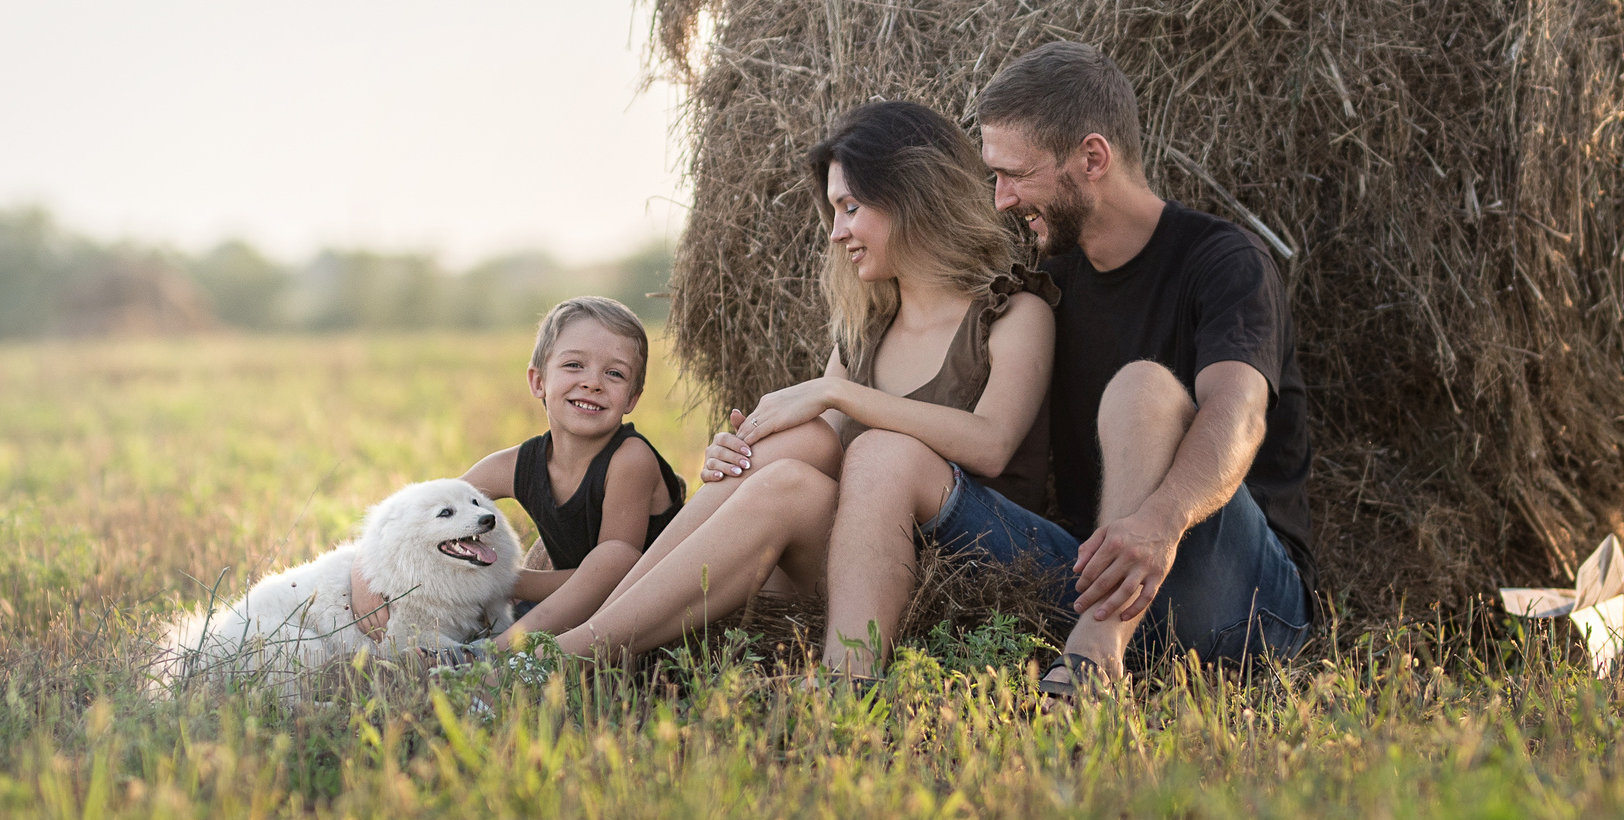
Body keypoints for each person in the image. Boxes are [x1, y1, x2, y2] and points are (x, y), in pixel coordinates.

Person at [826, 42, 1313, 696]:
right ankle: (845, 690)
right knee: (886, 456)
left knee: (1141, 390)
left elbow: (1239, 414)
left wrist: (1160, 522)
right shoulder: (1046, 289)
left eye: (1014, 174)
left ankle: (1090, 667)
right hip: (1094, 579)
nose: (1000, 200)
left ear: (1092, 158)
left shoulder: (1223, 262)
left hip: (1235, 597)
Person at [553, 100, 1056, 666]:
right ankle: (591, 639)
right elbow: (820, 450)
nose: (837, 233)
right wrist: (739, 454)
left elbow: (992, 444)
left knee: (877, 450)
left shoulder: (1013, 313)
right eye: (834, 212)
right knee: (796, 454)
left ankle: (569, 652)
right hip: (868, 567)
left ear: (913, 196)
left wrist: (836, 392)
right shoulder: (865, 332)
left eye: (851, 207)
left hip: (982, 570)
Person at [350, 296, 684, 646]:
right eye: (574, 365)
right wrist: (362, 570)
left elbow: (615, 575)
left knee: (610, 562)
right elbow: (417, 514)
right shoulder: (515, 466)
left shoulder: (631, 460)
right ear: (538, 381)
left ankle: (498, 652)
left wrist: (504, 580)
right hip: (567, 610)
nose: (593, 382)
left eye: (614, 373)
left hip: (646, 615)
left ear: (632, 398)